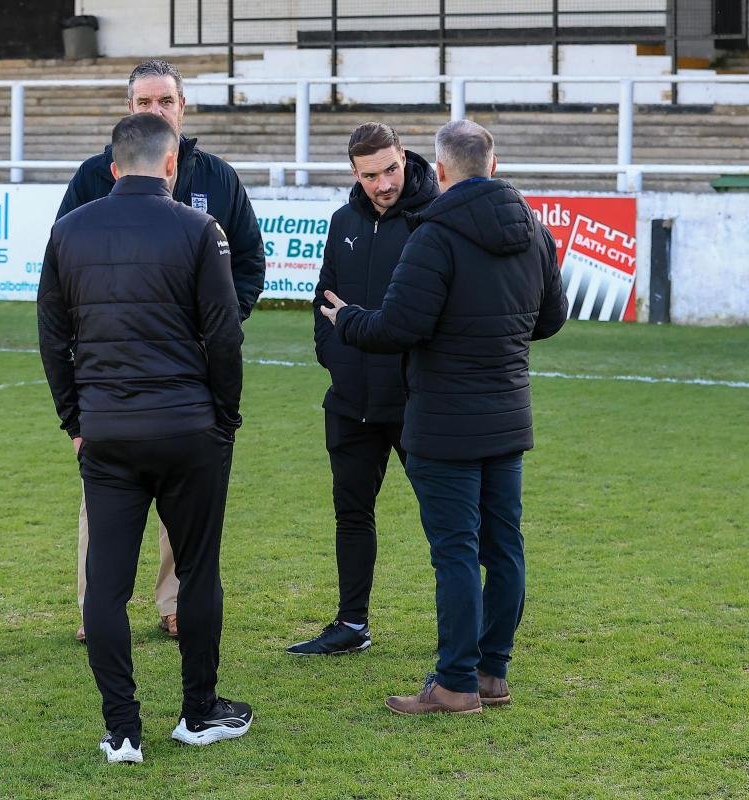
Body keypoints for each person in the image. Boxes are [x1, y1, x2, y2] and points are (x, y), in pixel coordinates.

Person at [320, 119, 567, 714]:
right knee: (503, 546)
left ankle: (455, 682)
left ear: (443, 169)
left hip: (444, 418)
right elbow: (551, 318)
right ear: (495, 162)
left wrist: (346, 319)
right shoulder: (533, 229)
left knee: (456, 550)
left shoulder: (433, 234)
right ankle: (491, 675)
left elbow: (399, 326)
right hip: (508, 414)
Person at [39, 113, 252, 763]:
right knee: (198, 574)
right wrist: (225, 418)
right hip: (190, 430)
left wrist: (75, 422)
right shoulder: (198, 228)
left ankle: (122, 729)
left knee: (106, 584)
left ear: (112, 168)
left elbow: (52, 339)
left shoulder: (68, 231)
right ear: (170, 166)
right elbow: (224, 335)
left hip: (108, 435)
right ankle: (197, 712)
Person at [58, 58, 265, 643]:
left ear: (183, 107)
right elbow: (62, 268)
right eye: (143, 103)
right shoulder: (93, 177)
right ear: (129, 110)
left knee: (185, 498)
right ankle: (94, 606)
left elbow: (248, 261)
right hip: (110, 372)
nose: (154, 111)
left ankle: (176, 604)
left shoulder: (217, 178)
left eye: (163, 101)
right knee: (99, 500)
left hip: (188, 374)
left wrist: (223, 320)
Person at [287, 123, 438, 657]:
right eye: (370, 174)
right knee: (351, 513)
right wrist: (336, 362)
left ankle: (469, 626)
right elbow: (324, 300)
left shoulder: (433, 219)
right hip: (351, 402)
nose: (383, 184)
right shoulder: (343, 222)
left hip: (416, 402)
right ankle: (352, 624)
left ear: (405, 158)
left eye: (391, 169)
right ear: (354, 172)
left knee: (445, 518)